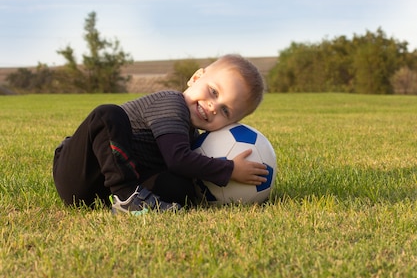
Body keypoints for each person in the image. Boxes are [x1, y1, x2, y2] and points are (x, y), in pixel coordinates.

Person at [53, 54, 268, 214]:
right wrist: (230, 169)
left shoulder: (192, 135)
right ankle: (127, 197)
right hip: (79, 171)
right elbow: (177, 160)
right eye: (214, 91)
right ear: (195, 78)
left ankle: (128, 197)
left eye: (225, 111)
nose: (213, 106)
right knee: (108, 115)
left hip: (100, 192)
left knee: (180, 187)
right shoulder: (171, 103)